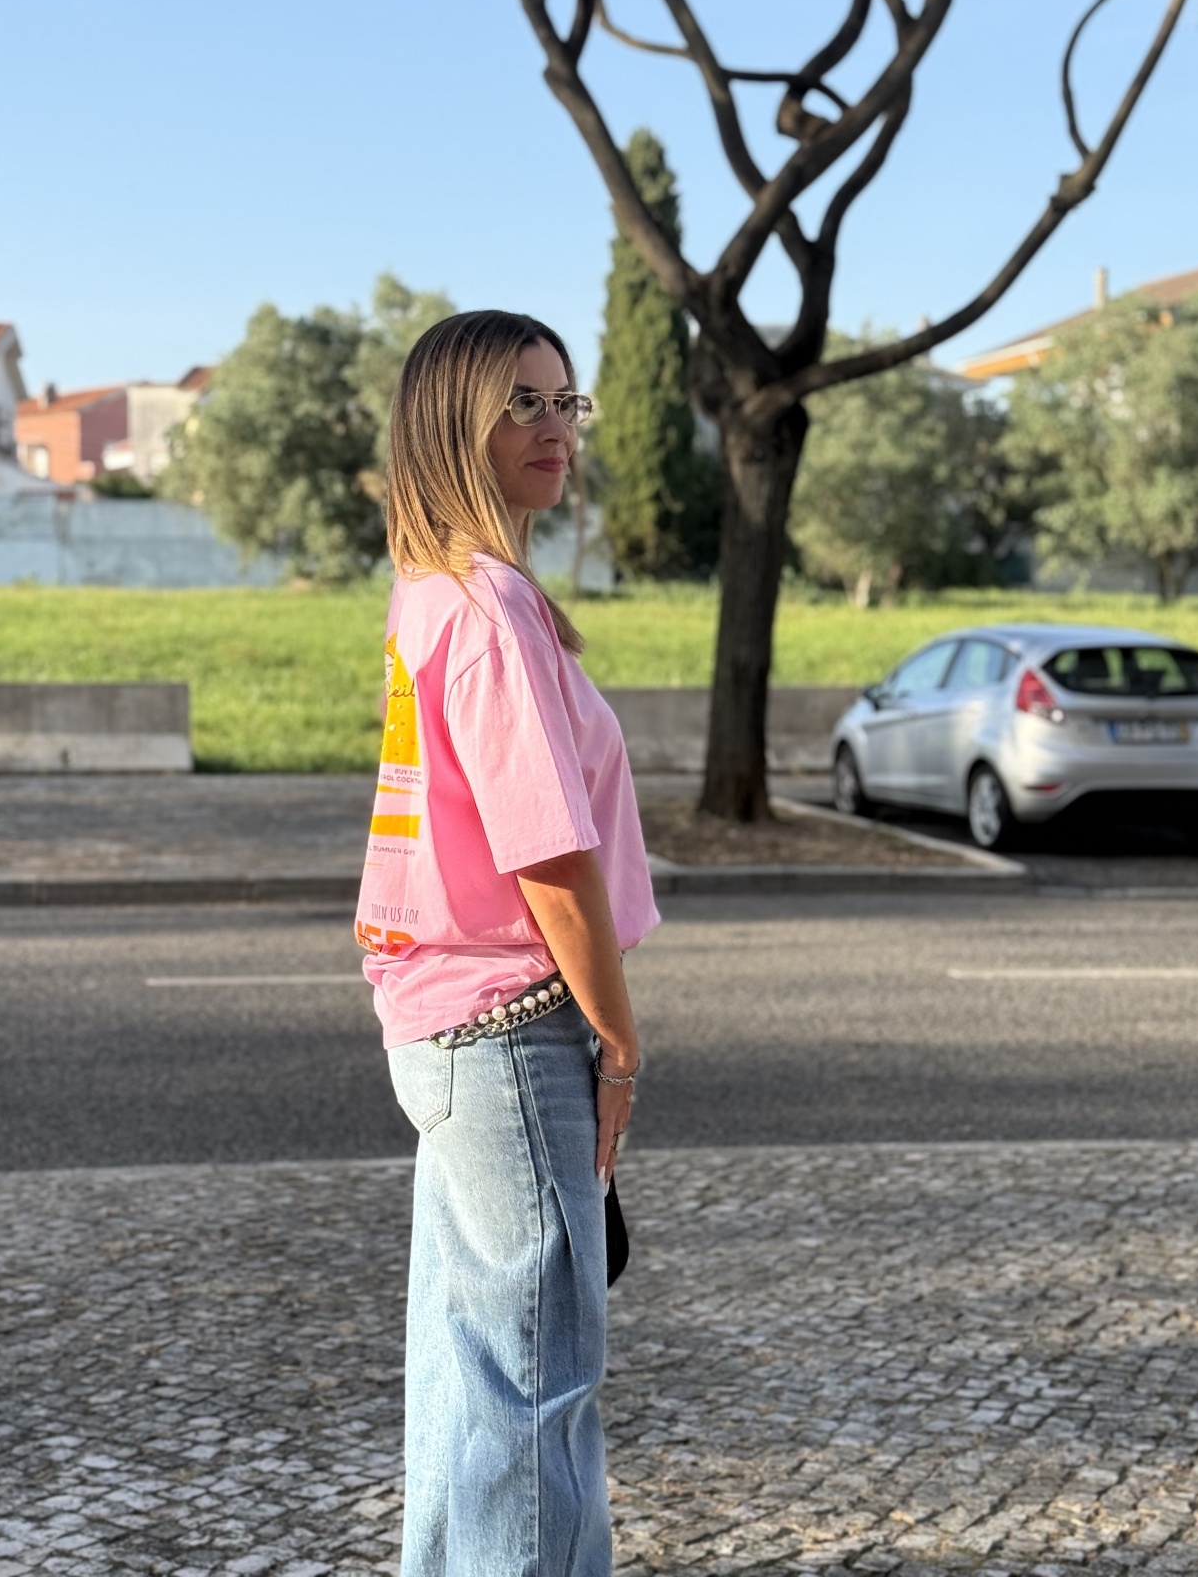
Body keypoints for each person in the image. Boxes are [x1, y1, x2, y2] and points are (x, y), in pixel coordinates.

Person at [354, 309, 659, 1577]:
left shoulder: (435, 593)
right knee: (533, 1401)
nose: (554, 427)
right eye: (520, 402)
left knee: (470, 1391)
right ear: (452, 423)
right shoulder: (486, 610)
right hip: (511, 1033)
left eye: (564, 401)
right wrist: (620, 1042)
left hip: (449, 1030)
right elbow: (548, 853)